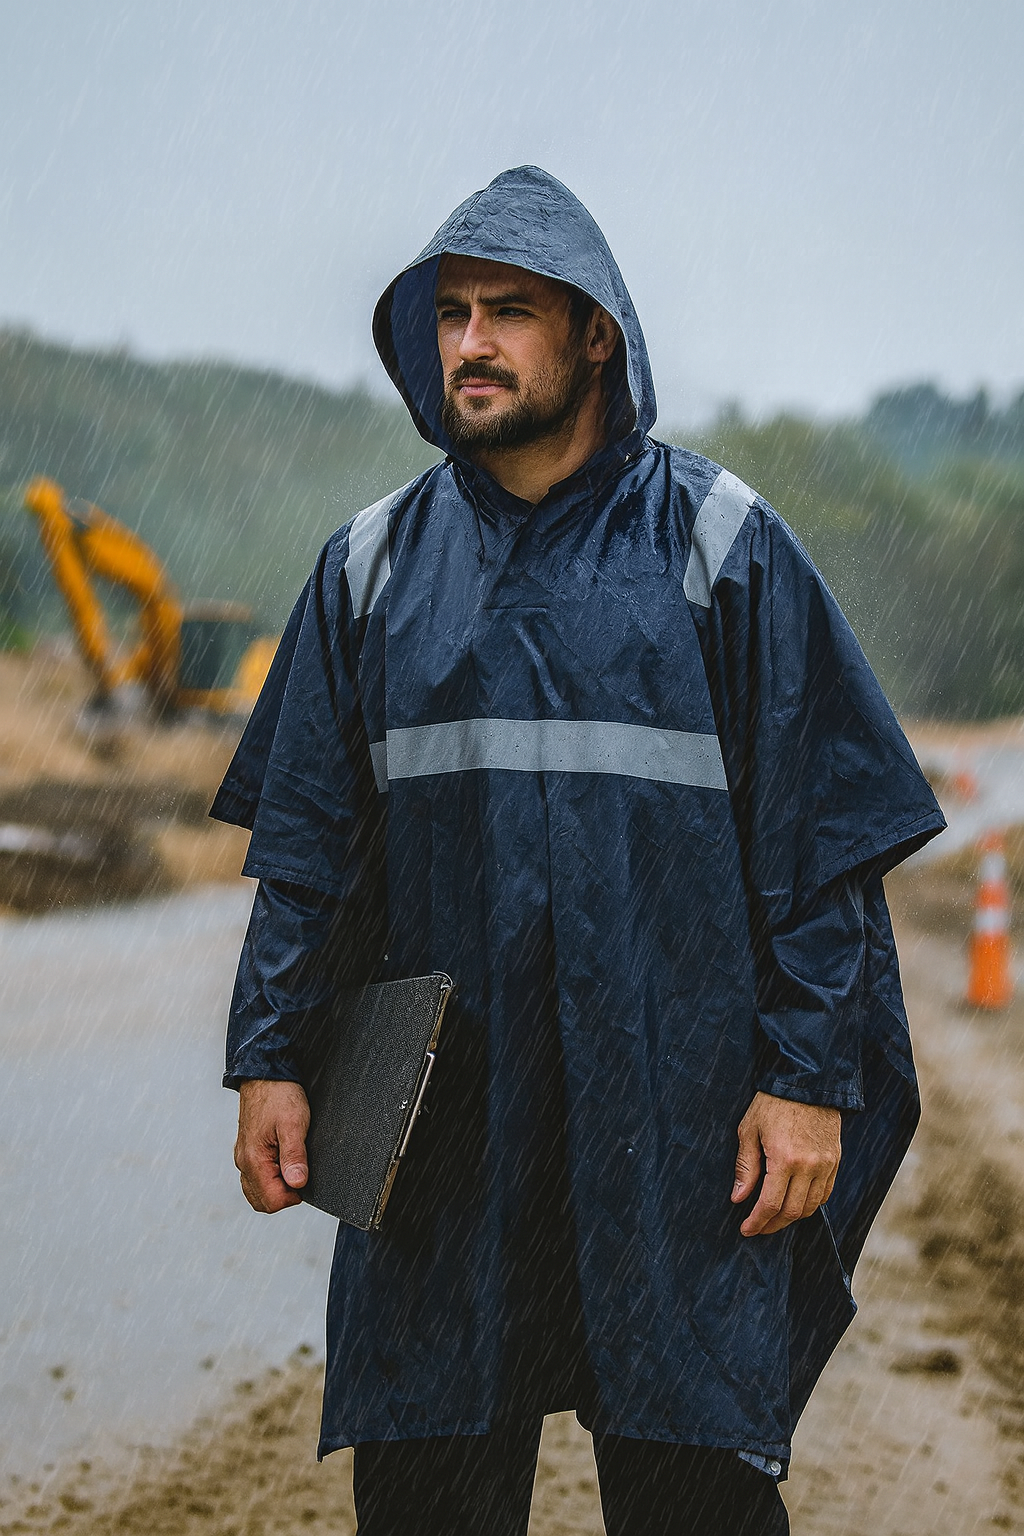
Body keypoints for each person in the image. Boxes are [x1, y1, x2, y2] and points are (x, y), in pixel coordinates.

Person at [212, 166, 945, 1535]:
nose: (470, 343)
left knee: (690, 1493)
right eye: (451, 315)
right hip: (444, 1130)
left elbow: (822, 854)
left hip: (678, 1123)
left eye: (509, 312)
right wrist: (269, 1056)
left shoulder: (721, 551)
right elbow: (308, 857)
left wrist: (805, 1079)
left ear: (596, 334)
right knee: (430, 1490)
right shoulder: (370, 570)